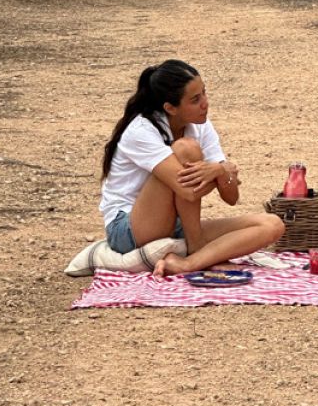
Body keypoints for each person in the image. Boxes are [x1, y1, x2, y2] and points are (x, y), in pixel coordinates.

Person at [99, 59, 284, 277]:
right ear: (170, 108)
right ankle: (197, 246)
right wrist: (222, 171)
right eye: (195, 99)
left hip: (177, 224)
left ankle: (189, 263)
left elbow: (231, 196)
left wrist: (219, 171)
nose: (205, 103)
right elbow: (187, 190)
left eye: (204, 93)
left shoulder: (200, 124)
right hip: (129, 228)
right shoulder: (141, 130)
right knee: (186, 149)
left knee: (272, 224)